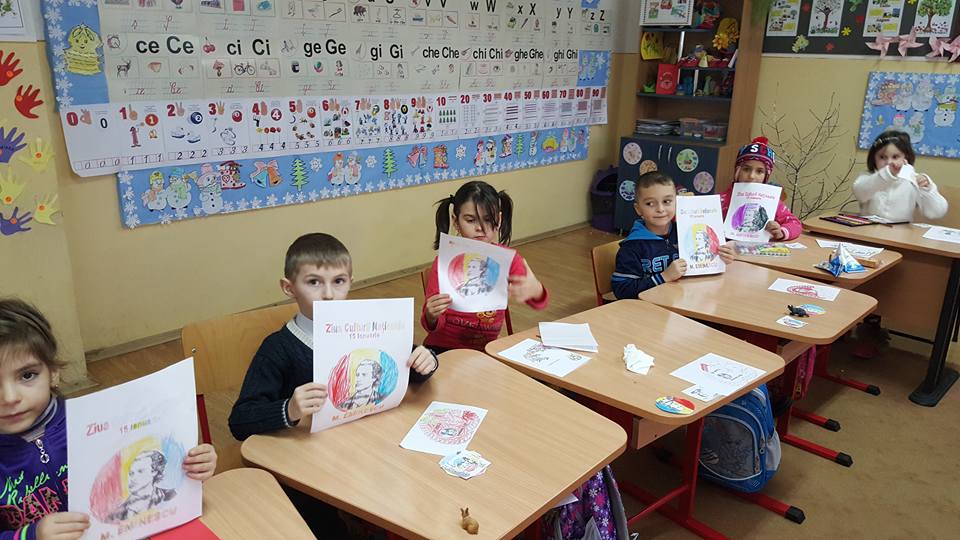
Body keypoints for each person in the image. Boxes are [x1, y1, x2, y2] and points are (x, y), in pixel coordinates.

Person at [228, 233, 439, 537]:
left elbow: (409, 365)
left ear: (351, 281)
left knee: (414, 492)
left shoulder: (366, 328)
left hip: (369, 448)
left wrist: (427, 360)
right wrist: (289, 408)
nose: (328, 294)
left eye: (338, 281)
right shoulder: (278, 348)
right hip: (309, 466)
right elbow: (240, 420)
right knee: (323, 523)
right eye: (313, 282)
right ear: (289, 288)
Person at [0, 298, 217, 540]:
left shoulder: (95, 423)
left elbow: (157, 477)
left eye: (27, 375)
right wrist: (30, 536)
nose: (10, 397)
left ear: (53, 373)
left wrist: (194, 466)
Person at [422, 181, 549, 352]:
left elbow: (538, 302)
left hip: (487, 349)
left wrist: (536, 291)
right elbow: (430, 324)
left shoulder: (507, 259)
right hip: (444, 348)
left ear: (499, 219)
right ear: (456, 221)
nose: (480, 228)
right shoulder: (444, 262)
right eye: (470, 220)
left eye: (488, 219)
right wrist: (431, 315)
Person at [612, 172, 735, 299]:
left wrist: (720, 258)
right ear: (638, 209)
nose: (660, 209)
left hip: (687, 298)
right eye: (650, 204)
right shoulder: (632, 247)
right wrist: (664, 277)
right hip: (652, 306)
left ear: (676, 203)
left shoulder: (685, 232)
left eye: (667, 201)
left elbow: (701, 268)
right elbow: (621, 290)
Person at [718, 136, 802, 242]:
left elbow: (795, 224)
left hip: (758, 250)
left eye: (759, 171)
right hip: (727, 250)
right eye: (746, 169)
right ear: (737, 171)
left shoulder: (772, 202)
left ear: (766, 176)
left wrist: (781, 232)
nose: (751, 176)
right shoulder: (721, 200)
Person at [853, 130, 948, 223]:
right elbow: (860, 192)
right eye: (882, 157)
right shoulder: (868, 177)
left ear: (906, 158)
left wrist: (927, 190)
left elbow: (937, 212)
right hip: (869, 229)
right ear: (874, 158)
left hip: (901, 231)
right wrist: (886, 175)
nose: (889, 162)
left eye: (895, 157)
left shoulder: (912, 180)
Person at [107, 450, 177, 522]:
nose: (133, 478)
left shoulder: (170, 495)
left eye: (140, 471)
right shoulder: (116, 515)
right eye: (131, 473)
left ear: (154, 472)